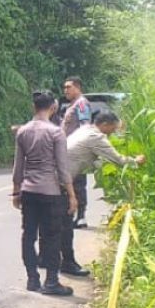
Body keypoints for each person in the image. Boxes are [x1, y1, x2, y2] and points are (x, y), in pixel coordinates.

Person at [59, 108, 146, 276]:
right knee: (65, 224)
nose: (112, 133)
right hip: (62, 182)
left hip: (56, 176)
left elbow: (92, 161)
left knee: (54, 222)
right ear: (105, 125)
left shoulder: (84, 130)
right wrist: (136, 161)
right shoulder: (96, 137)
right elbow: (119, 160)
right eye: (112, 129)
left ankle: (46, 259)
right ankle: (68, 263)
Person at [12, 91, 77, 296]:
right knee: (51, 237)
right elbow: (62, 167)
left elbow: (18, 167)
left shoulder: (23, 131)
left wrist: (16, 192)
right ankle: (51, 282)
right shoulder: (56, 132)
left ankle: (32, 279)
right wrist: (72, 195)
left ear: (34, 107)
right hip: (50, 192)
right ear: (53, 108)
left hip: (28, 192)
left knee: (28, 235)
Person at [61, 76, 92, 227]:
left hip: (77, 151)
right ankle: (73, 215)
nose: (65, 90)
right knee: (70, 183)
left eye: (68, 87)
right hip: (68, 151)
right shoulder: (71, 105)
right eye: (64, 87)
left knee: (78, 183)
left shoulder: (81, 104)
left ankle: (81, 216)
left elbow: (84, 126)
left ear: (77, 87)